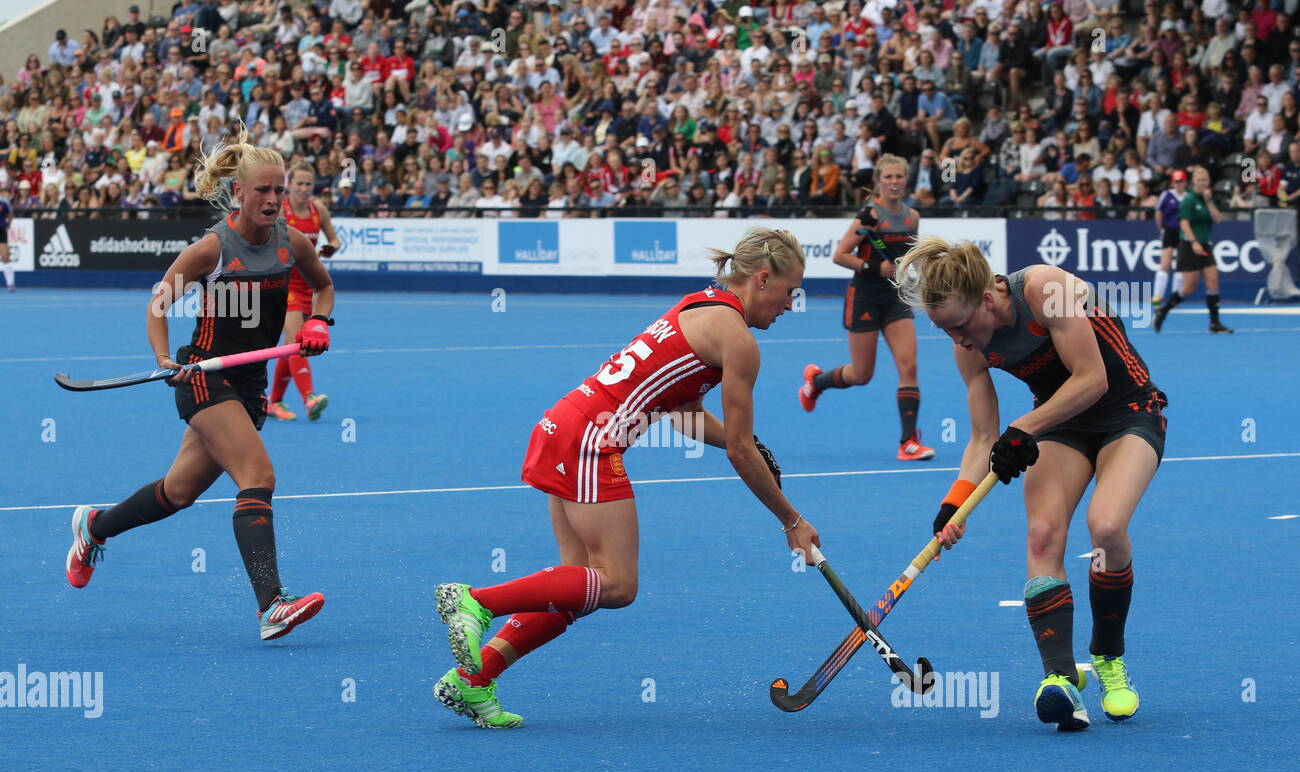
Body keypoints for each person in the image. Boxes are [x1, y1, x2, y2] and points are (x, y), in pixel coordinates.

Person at [432, 229, 814, 728]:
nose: (789, 305)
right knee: (618, 585)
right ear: (763, 279)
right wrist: (791, 520)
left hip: (563, 424)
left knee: (575, 585)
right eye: (789, 292)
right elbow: (740, 451)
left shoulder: (698, 305)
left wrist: (752, 446)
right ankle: (475, 601)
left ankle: (473, 680)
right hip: (591, 442)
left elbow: (684, 414)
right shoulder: (738, 341)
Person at [64, 127, 335, 640]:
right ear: (238, 192)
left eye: (280, 190)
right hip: (204, 376)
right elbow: (158, 306)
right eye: (264, 190)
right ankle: (271, 605)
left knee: (178, 492)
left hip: (249, 386)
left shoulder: (291, 242)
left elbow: (322, 287)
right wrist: (165, 359)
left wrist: (320, 323)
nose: (275, 199)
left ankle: (94, 527)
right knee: (258, 476)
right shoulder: (211, 249)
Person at [893, 238, 1166, 731]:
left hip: (1128, 412)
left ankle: (1107, 657)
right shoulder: (969, 348)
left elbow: (1092, 379)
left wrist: (1024, 429)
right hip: (1061, 426)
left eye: (959, 326)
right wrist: (954, 503)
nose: (959, 340)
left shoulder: (1044, 289)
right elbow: (982, 437)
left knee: (1106, 526)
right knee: (1042, 535)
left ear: (986, 298)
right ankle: (1059, 680)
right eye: (945, 332)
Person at [800, 154, 934, 461]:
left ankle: (908, 442)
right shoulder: (868, 217)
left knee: (909, 367)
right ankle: (816, 382)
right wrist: (875, 267)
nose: (894, 182)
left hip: (896, 298)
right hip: (864, 296)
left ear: (906, 180)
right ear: (878, 182)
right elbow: (840, 255)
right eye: (888, 177)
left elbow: (910, 255)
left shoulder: (912, 217)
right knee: (862, 374)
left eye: (899, 176)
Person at [268, 161, 341, 421]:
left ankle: (273, 401)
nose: (303, 188)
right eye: (299, 183)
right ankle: (309, 398)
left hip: (310, 285)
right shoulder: (280, 210)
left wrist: (331, 247)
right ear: (290, 185)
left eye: (308, 184)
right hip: (285, 283)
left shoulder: (317, 209)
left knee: (291, 346)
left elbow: (334, 239)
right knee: (295, 343)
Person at [1154, 166, 1233, 333]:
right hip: (1189, 245)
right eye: (1199, 180)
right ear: (1193, 183)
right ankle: (1163, 310)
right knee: (1188, 288)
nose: (1203, 183)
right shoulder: (1189, 200)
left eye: (1205, 180)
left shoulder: (1208, 199)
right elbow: (1184, 223)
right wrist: (1194, 241)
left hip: (1205, 244)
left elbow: (1218, 219)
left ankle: (1214, 323)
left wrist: (1210, 201)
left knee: (1213, 280)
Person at [1150, 170, 1188, 310]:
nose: (1179, 184)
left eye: (1181, 181)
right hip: (1169, 231)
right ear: (1173, 183)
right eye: (1177, 181)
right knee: (1165, 265)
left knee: (1180, 266)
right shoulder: (1166, 195)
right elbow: (1159, 213)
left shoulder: (1188, 197)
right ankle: (1157, 296)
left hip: (1183, 232)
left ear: (1185, 182)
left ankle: (1174, 297)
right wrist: (1162, 229)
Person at [0, 185, 14, 292]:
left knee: (5, 256)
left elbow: (10, 214)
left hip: (0, 230)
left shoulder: (4, 202)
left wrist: (8, 224)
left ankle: (10, 283)